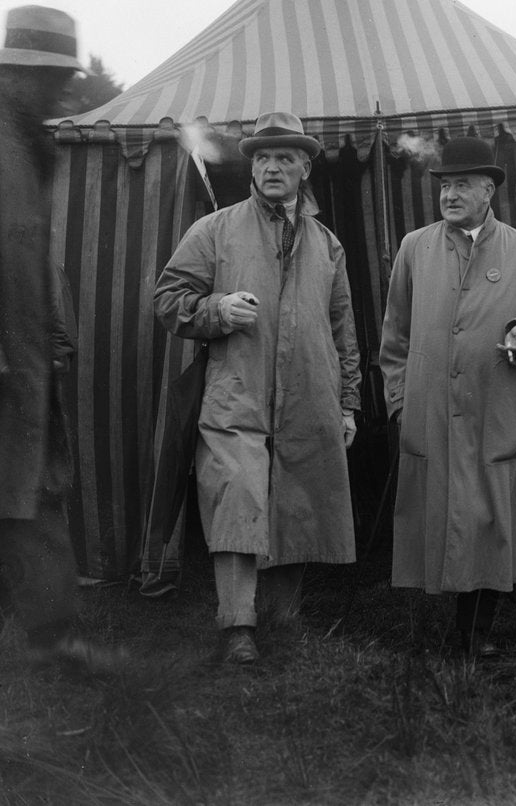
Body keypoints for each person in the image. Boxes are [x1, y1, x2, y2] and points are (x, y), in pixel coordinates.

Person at [154, 112, 361, 663]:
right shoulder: (215, 229)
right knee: (236, 496)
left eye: (285, 158)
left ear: (305, 169)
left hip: (310, 392)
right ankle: (238, 626)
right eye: (263, 158)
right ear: (251, 167)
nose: (272, 167)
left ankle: (281, 619)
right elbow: (168, 299)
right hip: (236, 392)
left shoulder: (327, 245)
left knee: (297, 499)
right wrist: (217, 309)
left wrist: (348, 403)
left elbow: (343, 329)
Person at [379, 137, 516, 657]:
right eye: (445, 185)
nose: (450, 194)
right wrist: (401, 402)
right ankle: (473, 630)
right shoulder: (415, 248)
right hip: (435, 412)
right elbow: (394, 335)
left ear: (489, 191)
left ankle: (515, 614)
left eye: (462, 184)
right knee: (457, 514)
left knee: (507, 514)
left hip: (500, 407)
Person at [0, 5, 125, 673]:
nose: (59, 92)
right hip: (5, 368)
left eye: (63, 78)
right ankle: (52, 637)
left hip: (24, 366)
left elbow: (28, 267)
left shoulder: (27, 149)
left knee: (32, 497)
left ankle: (53, 638)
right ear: (12, 75)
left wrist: (47, 341)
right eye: (47, 79)